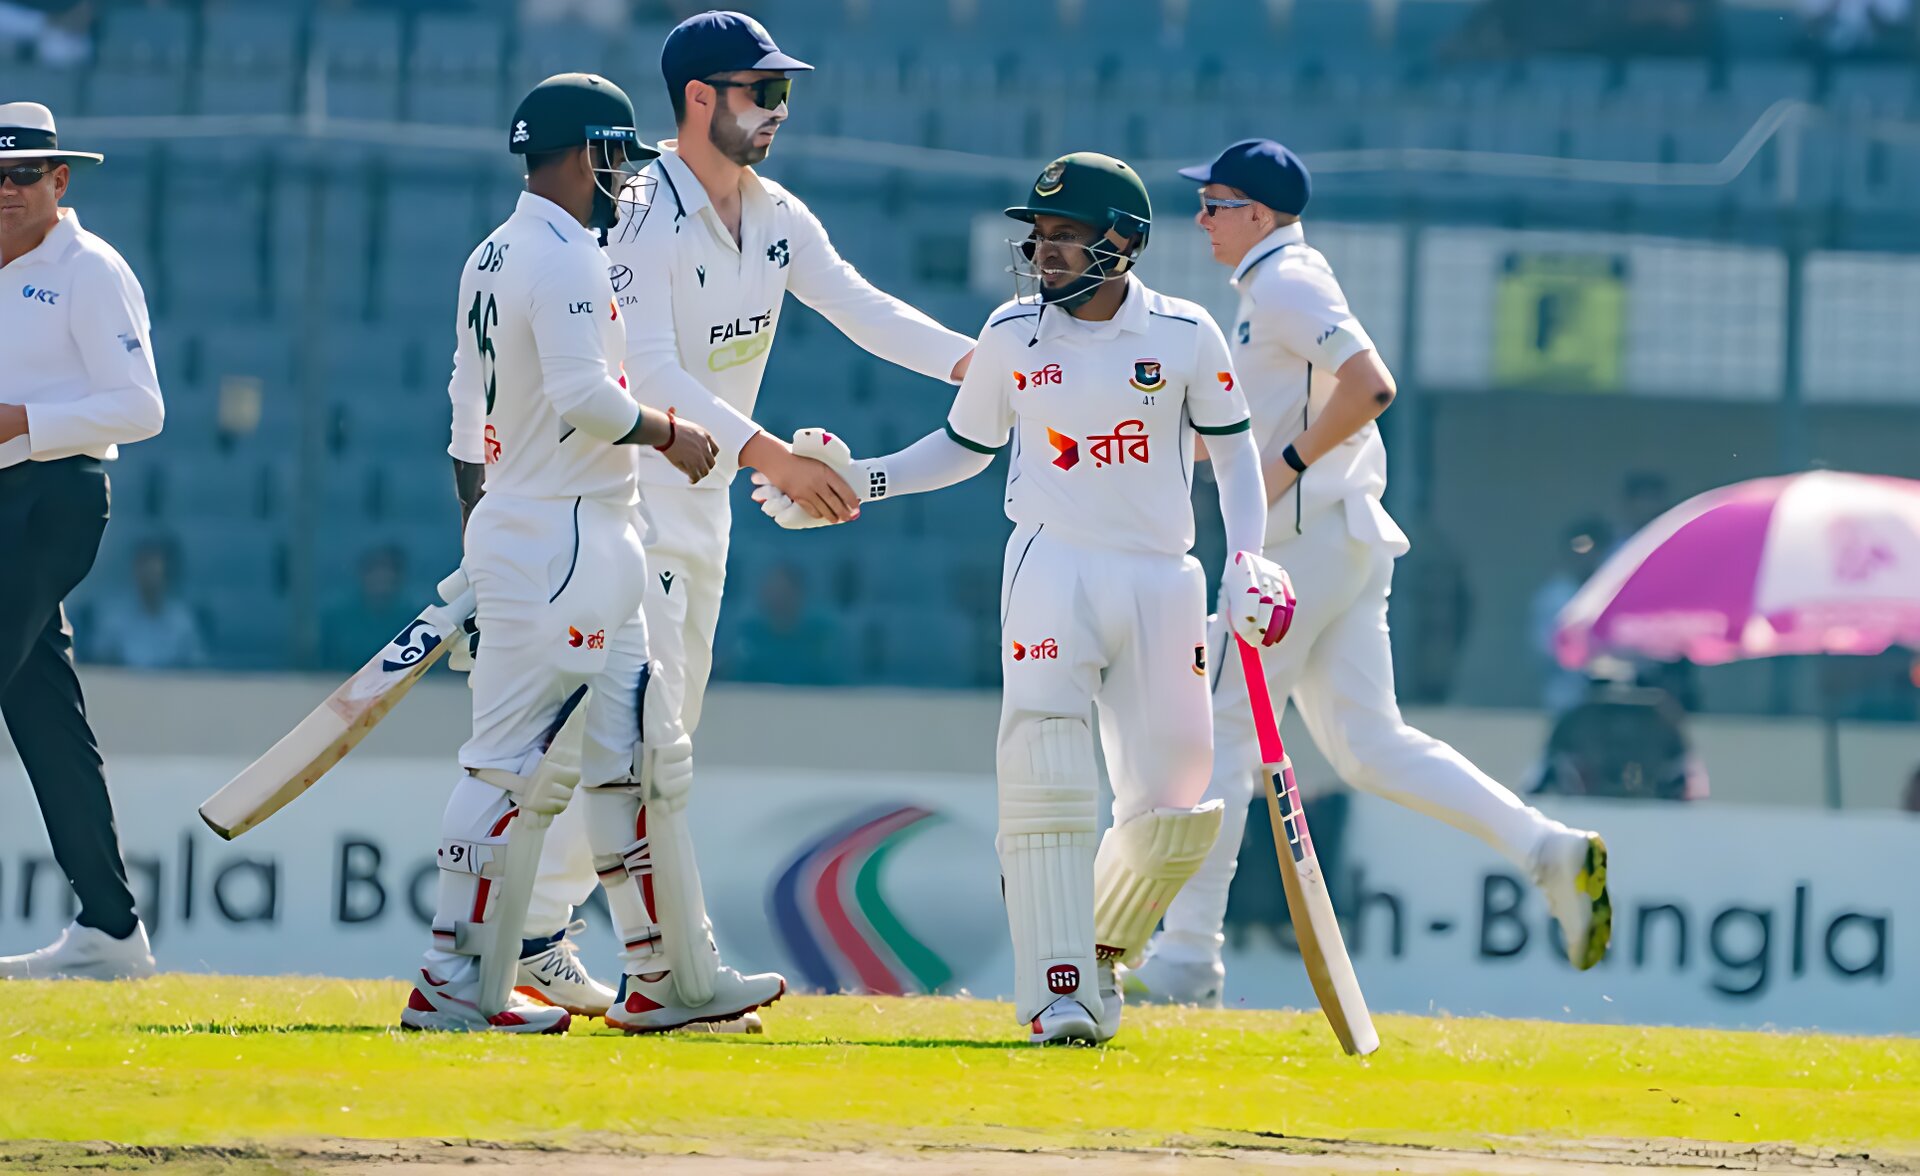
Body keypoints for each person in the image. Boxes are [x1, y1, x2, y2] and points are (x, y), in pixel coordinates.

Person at [754, 152, 1292, 1044]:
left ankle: (1101, 952)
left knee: (1181, 802)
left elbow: (1235, 455)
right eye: (1038, 238)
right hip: (1051, 565)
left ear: (1123, 242)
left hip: (1164, 573)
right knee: (1045, 774)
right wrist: (864, 483)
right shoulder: (1012, 333)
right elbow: (963, 447)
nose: (1045, 256)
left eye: (1066, 238)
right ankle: (1057, 992)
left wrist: (1250, 561)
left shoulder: (1189, 333)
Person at [519, 10, 976, 1026]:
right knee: (651, 750)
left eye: (781, 92)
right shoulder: (639, 212)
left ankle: (539, 937)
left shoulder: (774, 213)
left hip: (704, 509)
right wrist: (775, 456)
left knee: (652, 738)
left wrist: (978, 364)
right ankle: (674, 972)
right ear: (697, 99)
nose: (775, 109)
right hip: (628, 500)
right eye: (756, 91)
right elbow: (652, 369)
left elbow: (862, 306)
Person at [1128, 140, 1613, 1007]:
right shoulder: (1266, 290)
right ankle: (1549, 851)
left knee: (1221, 737)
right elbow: (1251, 422)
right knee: (1370, 746)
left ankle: (1188, 960)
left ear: (1259, 214)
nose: (1200, 219)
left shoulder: (1286, 282)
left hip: (1302, 545)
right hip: (1338, 539)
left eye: (1215, 202)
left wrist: (1279, 471)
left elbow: (1371, 386)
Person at [408, 73, 783, 1034]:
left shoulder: (492, 253)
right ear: (583, 156)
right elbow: (584, 397)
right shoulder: (568, 256)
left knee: (641, 759)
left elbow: (464, 414)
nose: (624, 179)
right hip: (565, 530)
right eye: (615, 157)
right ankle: (452, 982)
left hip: (554, 528)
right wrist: (673, 433)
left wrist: (477, 533)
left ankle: (669, 980)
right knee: (509, 767)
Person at [0, 102, 163, 980]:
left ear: (60, 181)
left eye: (25, 174)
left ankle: (110, 930)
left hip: (53, 497)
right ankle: (109, 929)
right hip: (5, 501)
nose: (7, 190)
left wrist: (21, 423)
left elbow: (142, 408)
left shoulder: (90, 270)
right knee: (45, 720)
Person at [87, 535, 208, 670]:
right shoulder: (114, 618)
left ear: (165, 572)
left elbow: (195, 670)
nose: (148, 573)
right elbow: (99, 664)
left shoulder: (182, 622)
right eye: (143, 564)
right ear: (135, 569)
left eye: (154, 566)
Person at [1531, 517, 1611, 713]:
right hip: (1566, 697)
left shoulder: (1615, 592)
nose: (1586, 556)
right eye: (1579, 549)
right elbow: (1543, 648)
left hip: (1612, 698)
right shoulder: (1553, 596)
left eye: (1594, 548)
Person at [727, 561, 846, 686]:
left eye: (784, 591)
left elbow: (834, 687)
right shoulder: (748, 637)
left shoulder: (820, 638)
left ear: (799, 594)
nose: (777, 597)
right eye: (772, 590)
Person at [317, 545, 417, 671]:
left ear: (398, 577)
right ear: (363, 575)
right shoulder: (337, 620)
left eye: (387, 570)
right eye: (374, 570)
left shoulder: (414, 621)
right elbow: (321, 668)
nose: (381, 577)